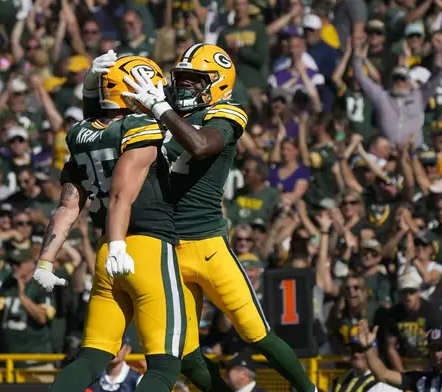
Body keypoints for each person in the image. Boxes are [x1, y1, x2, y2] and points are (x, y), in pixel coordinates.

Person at [123, 43, 317, 392]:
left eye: (196, 81)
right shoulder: (161, 109)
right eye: (182, 78)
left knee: (256, 333)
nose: (185, 86)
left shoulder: (227, 113)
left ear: (218, 83)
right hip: (165, 247)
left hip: (208, 244)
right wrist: (97, 87)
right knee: (183, 353)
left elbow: (201, 145)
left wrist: (160, 109)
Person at [34, 53, 193, 392]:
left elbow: (67, 206)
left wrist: (45, 261)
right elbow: (122, 194)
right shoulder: (140, 126)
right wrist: (122, 244)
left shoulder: (78, 134)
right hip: (145, 246)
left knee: (92, 356)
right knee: (165, 364)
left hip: (107, 252)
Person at [355, 313, 442, 392]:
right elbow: (383, 375)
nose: (437, 354)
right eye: (433, 349)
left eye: (441, 348)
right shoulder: (420, 380)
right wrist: (367, 348)